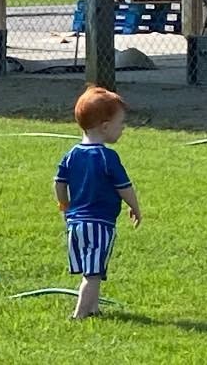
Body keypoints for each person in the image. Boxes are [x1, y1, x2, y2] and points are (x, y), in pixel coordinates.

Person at [54, 86, 142, 319]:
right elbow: (124, 187)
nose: (122, 128)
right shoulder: (107, 157)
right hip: (99, 224)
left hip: (76, 224)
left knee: (93, 268)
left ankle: (93, 309)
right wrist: (135, 207)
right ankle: (79, 314)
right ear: (105, 127)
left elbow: (59, 183)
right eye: (120, 123)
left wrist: (64, 206)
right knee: (92, 274)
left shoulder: (72, 154)